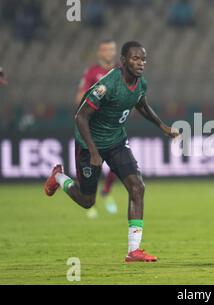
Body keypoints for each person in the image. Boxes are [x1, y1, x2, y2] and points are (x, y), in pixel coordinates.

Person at [45, 41, 180, 262]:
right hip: (90, 145)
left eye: (143, 59)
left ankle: (133, 251)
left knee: (137, 187)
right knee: (87, 200)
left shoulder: (141, 84)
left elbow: (141, 104)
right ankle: (59, 177)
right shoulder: (107, 85)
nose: (141, 63)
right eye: (135, 59)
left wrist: (162, 126)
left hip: (116, 142)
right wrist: (93, 150)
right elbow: (80, 116)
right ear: (123, 61)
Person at [75, 39, 119, 219]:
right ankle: (88, 201)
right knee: (91, 166)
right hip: (92, 127)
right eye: (105, 49)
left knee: (118, 165)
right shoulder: (92, 72)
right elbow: (79, 96)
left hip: (113, 127)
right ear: (99, 52)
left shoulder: (120, 71)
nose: (109, 53)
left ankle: (106, 193)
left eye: (111, 49)